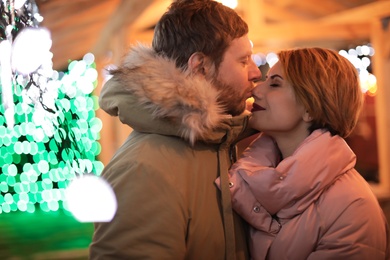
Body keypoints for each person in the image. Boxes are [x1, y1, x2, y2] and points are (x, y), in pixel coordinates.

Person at [89, 0, 262, 259]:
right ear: (200, 67)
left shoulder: (225, 141)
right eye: (243, 60)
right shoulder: (143, 171)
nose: (256, 72)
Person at [221, 47, 390, 259]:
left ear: (310, 108)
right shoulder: (248, 178)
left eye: (274, 84)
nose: (256, 90)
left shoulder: (352, 208)